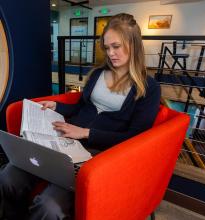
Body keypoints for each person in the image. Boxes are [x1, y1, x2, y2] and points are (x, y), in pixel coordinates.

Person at [0, 13, 161, 220]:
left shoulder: (149, 88)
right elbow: (81, 106)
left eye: (116, 46)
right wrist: (56, 106)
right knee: (7, 177)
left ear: (134, 44)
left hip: (98, 154)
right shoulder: (97, 74)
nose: (110, 53)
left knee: (50, 207)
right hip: (66, 140)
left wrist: (86, 133)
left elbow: (136, 138)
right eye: (107, 47)